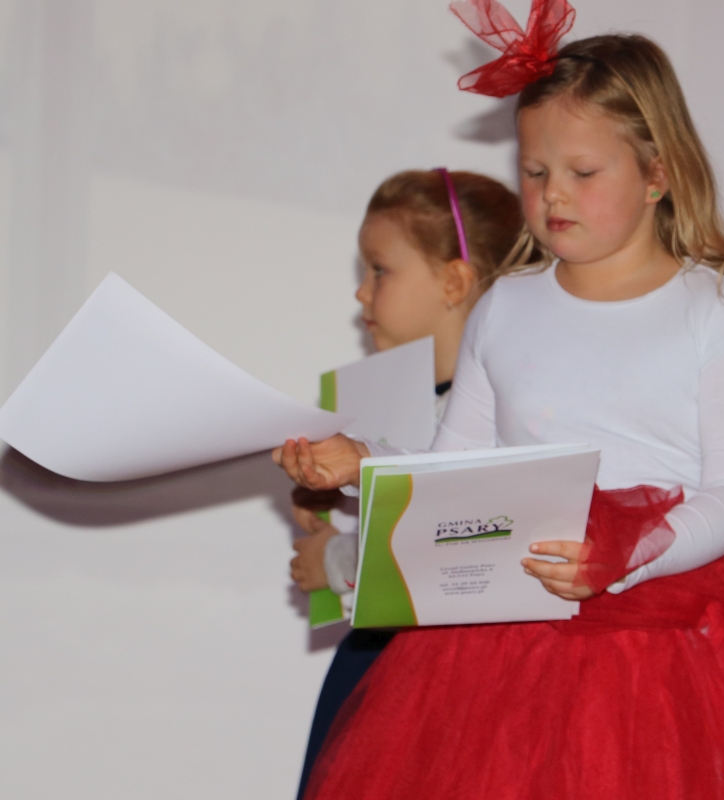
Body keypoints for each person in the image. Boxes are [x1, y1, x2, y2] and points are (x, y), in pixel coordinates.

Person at [279, 4, 724, 798]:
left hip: (668, 648)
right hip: (507, 651)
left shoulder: (712, 312)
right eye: (535, 172)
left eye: (583, 174)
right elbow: (457, 476)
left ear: (657, 174)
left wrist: (632, 548)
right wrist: (363, 467)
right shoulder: (507, 306)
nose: (553, 194)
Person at [274, 168, 529, 800]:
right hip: (379, 668)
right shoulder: (390, 402)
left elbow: (464, 549)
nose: (361, 293)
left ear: (454, 282)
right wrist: (335, 501)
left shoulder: (504, 410)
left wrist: (336, 561)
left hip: (456, 683)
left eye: (380, 270)